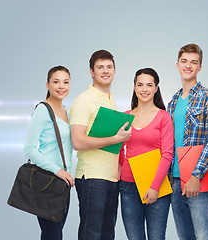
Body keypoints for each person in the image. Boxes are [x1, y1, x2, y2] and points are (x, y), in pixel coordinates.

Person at [70, 50, 131, 240]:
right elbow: (77, 141)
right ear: (91, 71)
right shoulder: (84, 100)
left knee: (107, 235)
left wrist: (120, 165)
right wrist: (115, 139)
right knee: (91, 234)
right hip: (92, 178)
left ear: (114, 70)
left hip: (112, 179)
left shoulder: (111, 101)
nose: (105, 71)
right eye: (100, 67)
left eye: (109, 67)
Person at [167, 43, 208, 240]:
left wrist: (195, 175)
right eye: (184, 61)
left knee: (204, 236)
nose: (188, 66)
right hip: (174, 181)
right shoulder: (173, 101)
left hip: (199, 181)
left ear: (200, 67)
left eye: (194, 62)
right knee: (185, 237)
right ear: (177, 65)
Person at [119, 68, 174, 240]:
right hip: (128, 186)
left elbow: (167, 154)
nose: (144, 89)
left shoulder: (163, 117)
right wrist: (121, 168)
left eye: (149, 85)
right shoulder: (126, 116)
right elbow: (119, 148)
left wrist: (154, 187)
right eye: (140, 85)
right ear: (134, 87)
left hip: (157, 186)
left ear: (156, 88)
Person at [24, 66, 74, 240]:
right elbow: (29, 148)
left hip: (64, 185)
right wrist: (58, 171)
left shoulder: (66, 111)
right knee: (53, 235)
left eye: (66, 82)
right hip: (48, 182)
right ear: (47, 85)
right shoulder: (42, 111)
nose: (61, 86)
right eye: (56, 81)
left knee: (52, 235)